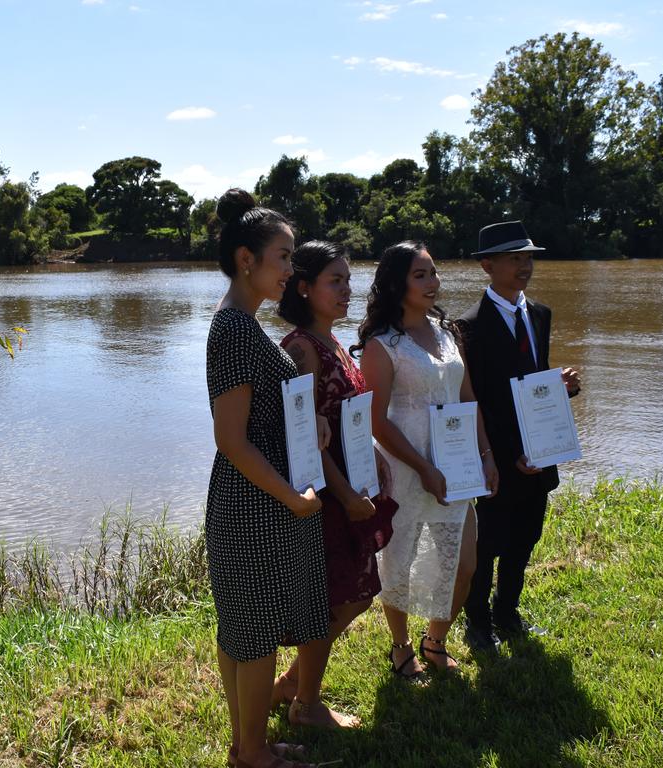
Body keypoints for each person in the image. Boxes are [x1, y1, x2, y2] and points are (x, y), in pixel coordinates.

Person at [205, 188, 330, 768]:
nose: (290, 269)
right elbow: (230, 440)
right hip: (252, 504)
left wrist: (312, 437)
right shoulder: (233, 329)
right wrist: (293, 496)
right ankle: (252, 753)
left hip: (261, 500)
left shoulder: (244, 326)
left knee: (243, 634)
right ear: (246, 259)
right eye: (283, 256)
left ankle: (245, 744)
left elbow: (261, 420)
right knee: (251, 638)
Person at [354, 241, 498, 680]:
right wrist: (423, 468)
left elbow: (468, 397)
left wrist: (487, 455)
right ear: (397, 283)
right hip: (405, 466)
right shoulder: (383, 345)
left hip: (457, 466)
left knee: (464, 564)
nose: (432, 282)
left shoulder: (448, 332)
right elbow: (377, 422)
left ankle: (435, 641)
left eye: (434, 272)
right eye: (421, 275)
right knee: (398, 561)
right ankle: (400, 648)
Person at [273, 240, 398, 727]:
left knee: (358, 591)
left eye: (349, 279)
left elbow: (349, 419)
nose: (347, 290)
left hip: (352, 486)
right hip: (324, 496)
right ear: (304, 288)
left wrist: (374, 459)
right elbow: (306, 437)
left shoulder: (333, 344)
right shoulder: (301, 348)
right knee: (338, 596)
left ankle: (291, 685)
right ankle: (305, 703)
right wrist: (344, 495)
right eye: (335, 281)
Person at [458, 220, 581, 652]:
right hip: (498, 454)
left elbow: (531, 383)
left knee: (527, 536)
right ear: (487, 266)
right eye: (514, 258)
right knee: (488, 541)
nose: (524, 265)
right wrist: (501, 454)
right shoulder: (467, 326)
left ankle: (507, 612)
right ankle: (477, 622)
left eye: (528, 256)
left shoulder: (541, 314)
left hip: (539, 452)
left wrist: (562, 385)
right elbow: (477, 401)